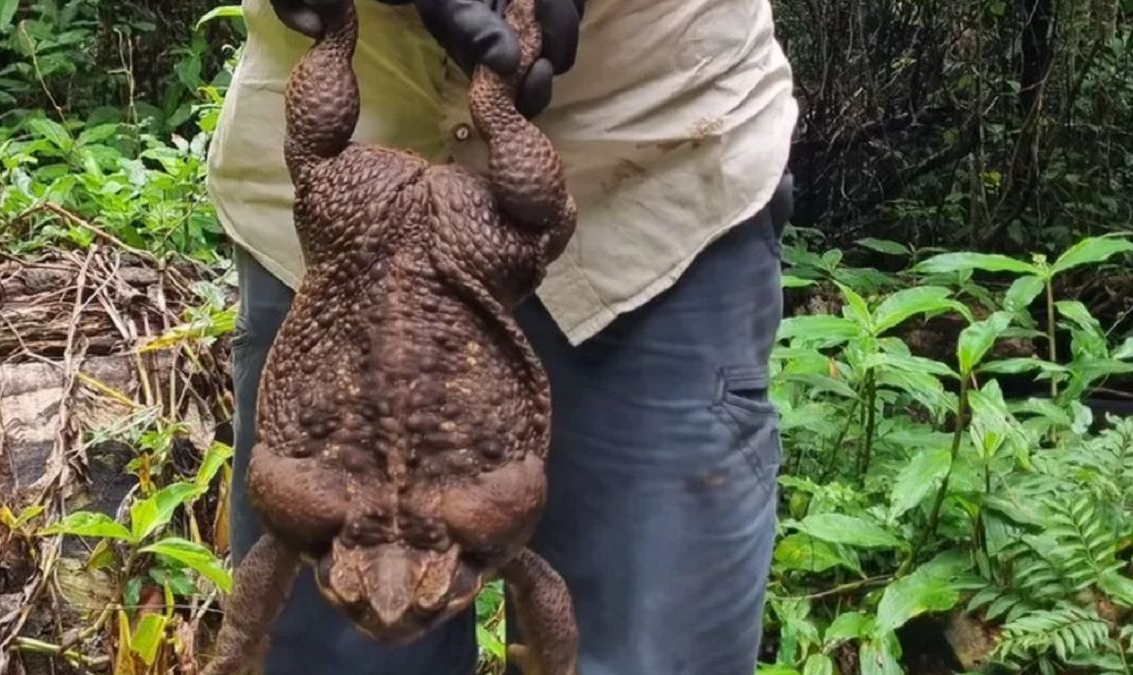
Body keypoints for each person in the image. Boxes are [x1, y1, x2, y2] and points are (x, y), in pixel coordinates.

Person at [204, 0, 798, 672]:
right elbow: (528, 561)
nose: (393, 608)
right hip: (371, 221)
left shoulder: (447, 519)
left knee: (645, 653)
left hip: (649, 167)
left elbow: (526, 559)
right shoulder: (447, 520)